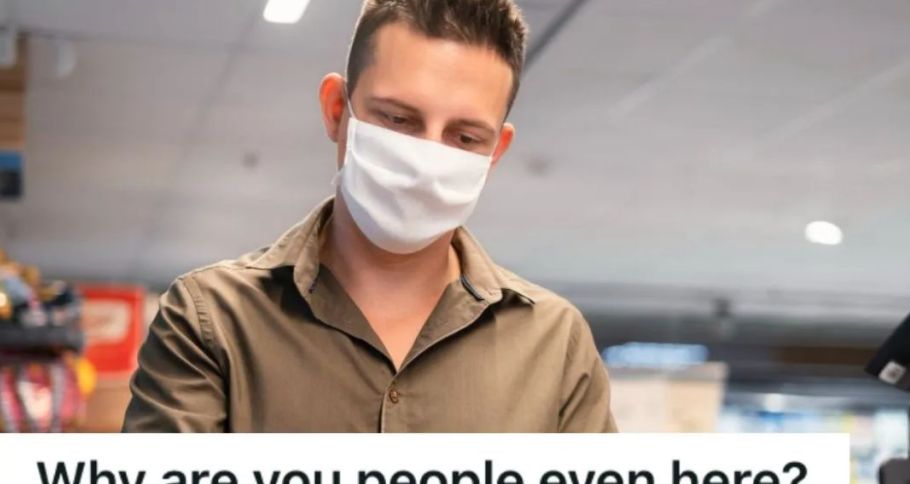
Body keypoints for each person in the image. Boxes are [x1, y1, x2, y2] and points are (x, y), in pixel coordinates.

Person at [122, 0, 617, 433]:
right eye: (398, 119)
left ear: (496, 151)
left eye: (464, 138)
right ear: (337, 110)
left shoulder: (554, 345)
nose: (425, 161)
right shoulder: (212, 322)